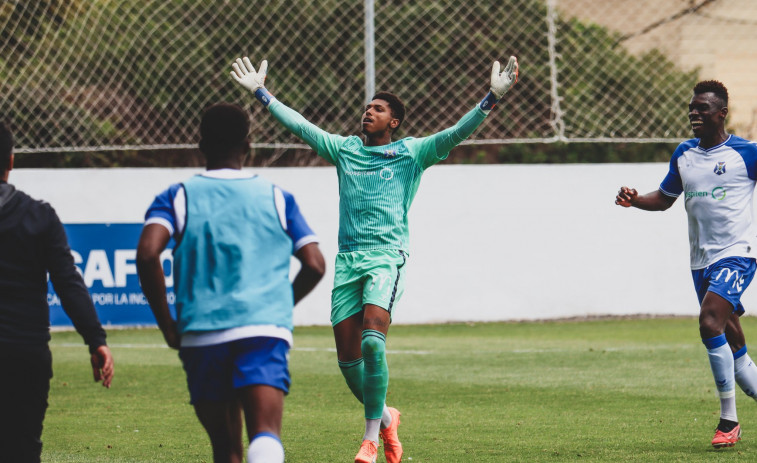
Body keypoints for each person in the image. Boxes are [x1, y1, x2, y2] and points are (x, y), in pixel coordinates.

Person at [230, 54, 518, 463]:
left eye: (378, 109)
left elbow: (455, 134)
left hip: (386, 259)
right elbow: (299, 125)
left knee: (372, 342)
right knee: (349, 364)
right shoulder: (345, 150)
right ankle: (386, 417)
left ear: (394, 122)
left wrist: (492, 97)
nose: (368, 112)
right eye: (367, 107)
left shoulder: (412, 154)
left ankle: (369, 438)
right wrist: (261, 92)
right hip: (348, 260)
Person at [136, 102, 325, 463]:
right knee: (265, 437)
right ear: (249, 145)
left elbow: (147, 254)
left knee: (226, 451)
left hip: (202, 333)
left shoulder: (176, 196)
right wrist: (279, 303)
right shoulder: (277, 197)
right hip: (263, 330)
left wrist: (167, 326)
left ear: (201, 145)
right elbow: (315, 264)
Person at [615, 80, 757, 449]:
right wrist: (635, 200)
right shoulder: (684, 154)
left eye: (702, 109)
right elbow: (664, 198)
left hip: (737, 254)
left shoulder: (746, 153)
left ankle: (729, 421)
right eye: (691, 108)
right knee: (732, 342)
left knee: (709, 320)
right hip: (700, 262)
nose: (694, 114)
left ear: (721, 113)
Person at [0, 121, 114, 462]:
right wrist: (96, 341)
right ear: (11, 160)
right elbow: (68, 282)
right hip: (25, 354)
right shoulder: (39, 216)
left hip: (25, 353)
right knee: (22, 448)